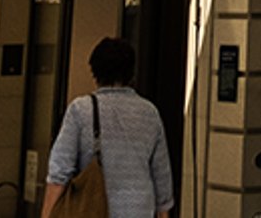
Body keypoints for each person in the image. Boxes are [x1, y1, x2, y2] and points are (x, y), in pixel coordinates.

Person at [40, 38, 173, 218]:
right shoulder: (149, 113)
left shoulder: (80, 110)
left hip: (94, 208)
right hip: (139, 210)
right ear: (131, 72)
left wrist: (47, 213)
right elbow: (161, 177)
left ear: (95, 72)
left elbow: (59, 172)